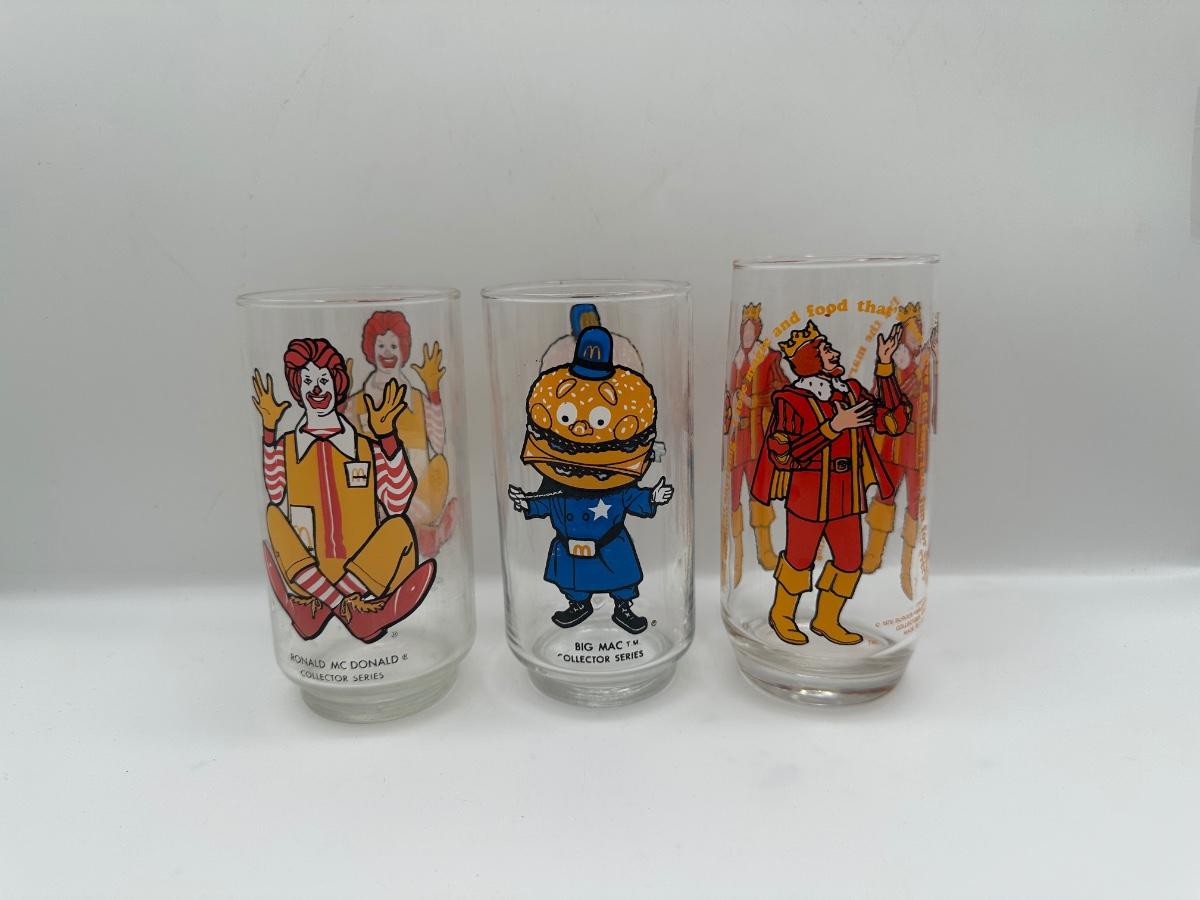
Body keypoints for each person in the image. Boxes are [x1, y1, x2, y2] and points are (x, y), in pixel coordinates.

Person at [253, 338, 435, 643]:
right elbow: (274, 491)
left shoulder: (364, 447)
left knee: (399, 527)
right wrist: (270, 431)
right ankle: (355, 614)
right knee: (273, 516)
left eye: (323, 380)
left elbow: (397, 500)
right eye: (308, 381)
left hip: (365, 572)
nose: (317, 388)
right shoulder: (287, 447)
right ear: (297, 388)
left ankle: (318, 610)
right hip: (306, 570)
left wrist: (387, 437)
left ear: (337, 385)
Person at [751, 319, 910, 645]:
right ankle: (782, 615)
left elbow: (893, 422)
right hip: (807, 498)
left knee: (850, 562)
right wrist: (833, 427)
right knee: (799, 561)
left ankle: (826, 619)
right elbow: (784, 455)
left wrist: (884, 367)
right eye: (825, 349)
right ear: (810, 359)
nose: (834, 352)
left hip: (848, 495)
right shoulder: (790, 400)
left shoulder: (850, 392)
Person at [508, 326, 673, 635]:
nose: (581, 429)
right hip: (569, 545)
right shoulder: (557, 486)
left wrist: (652, 497)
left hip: (610, 543)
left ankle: (623, 608)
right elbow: (547, 502)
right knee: (573, 581)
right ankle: (578, 605)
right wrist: (526, 503)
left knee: (621, 578)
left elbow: (630, 497)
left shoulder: (617, 484)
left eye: (598, 421)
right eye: (568, 418)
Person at [343, 311, 456, 558]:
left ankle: (421, 533)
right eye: (381, 345)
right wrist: (340, 400)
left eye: (393, 346)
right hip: (373, 489)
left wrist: (433, 391)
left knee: (440, 465)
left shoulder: (416, 399)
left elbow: (439, 443)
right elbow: (342, 443)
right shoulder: (357, 402)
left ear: (403, 350)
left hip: (417, 489)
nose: (387, 352)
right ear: (370, 350)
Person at [862, 304, 934, 598]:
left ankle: (907, 567)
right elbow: (878, 396)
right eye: (910, 334)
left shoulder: (926, 366)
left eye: (917, 334)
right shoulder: (891, 366)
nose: (914, 339)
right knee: (884, 495)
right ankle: (873, 555)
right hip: (890, 444)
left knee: (915, 505)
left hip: (916, 448)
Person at [723, 302, 787, 585]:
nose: (747, 333)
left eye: (752, 328)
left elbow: (784, 393)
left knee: (760, 493)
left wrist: (754, 401)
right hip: (736, 440)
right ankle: (736, 556)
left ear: (758, 330)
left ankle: (765, 550)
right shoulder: (736, 359)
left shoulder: (769, 358)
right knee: (733, 496)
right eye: (744, 328)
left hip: (758, 440)